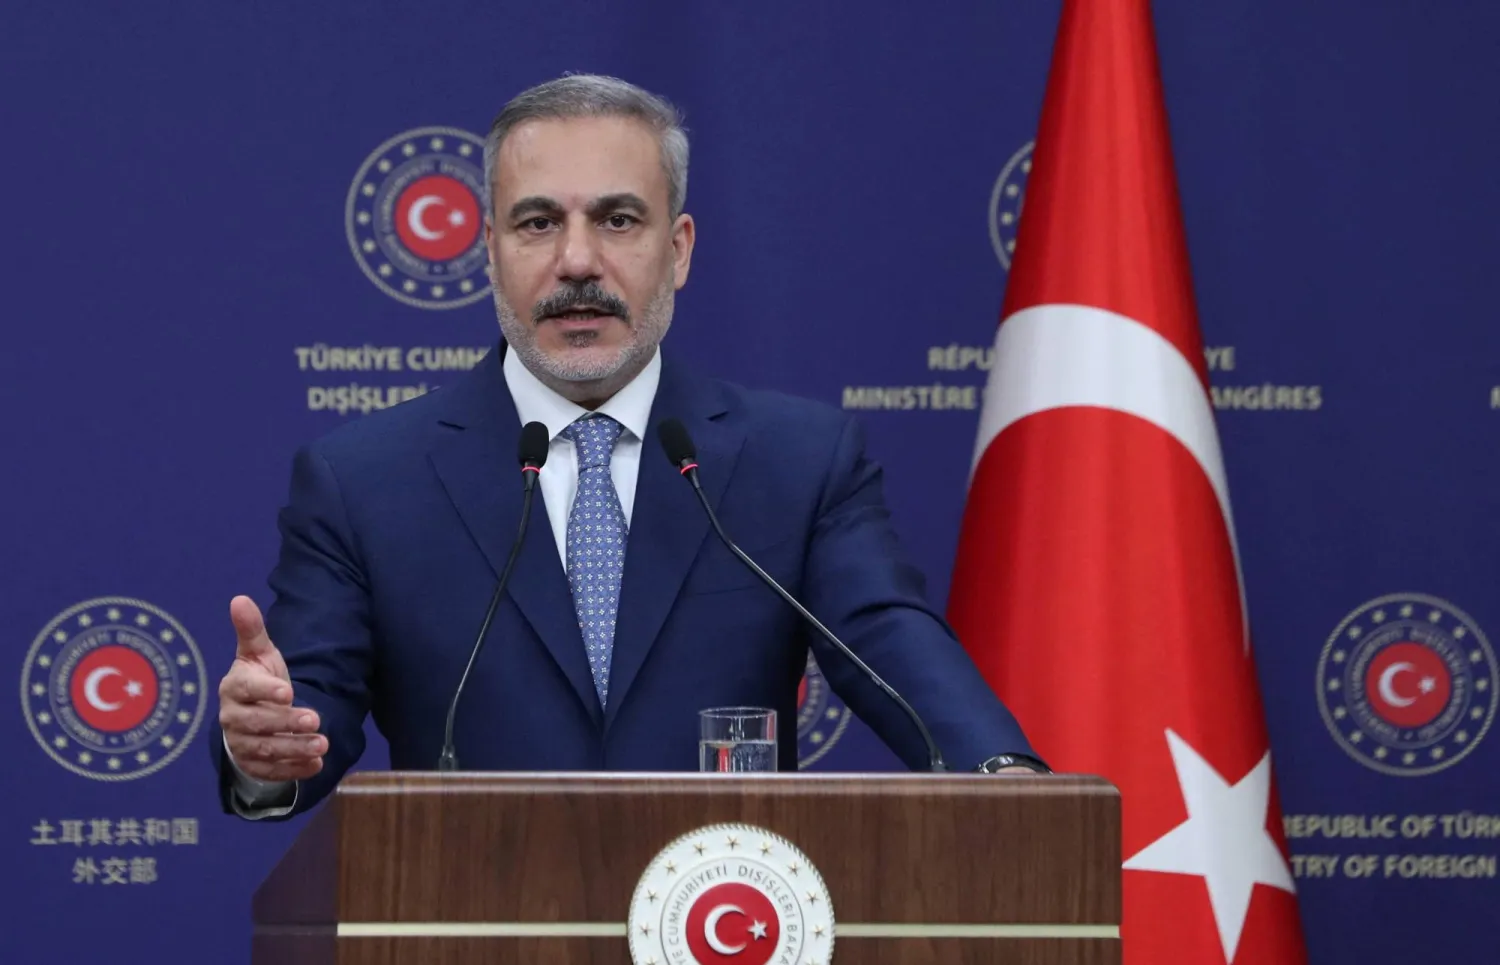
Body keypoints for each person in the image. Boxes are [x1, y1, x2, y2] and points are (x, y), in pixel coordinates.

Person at [212, 74, 1046, 819]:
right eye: (538, 223)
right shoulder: (364, 481)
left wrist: (1003, 774)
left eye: (617, 219)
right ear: (491, 254)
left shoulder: (799, 460)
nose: (579, 261)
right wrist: (265, 751)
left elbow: (890, 642)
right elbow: (302, 715)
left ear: (676, 250)